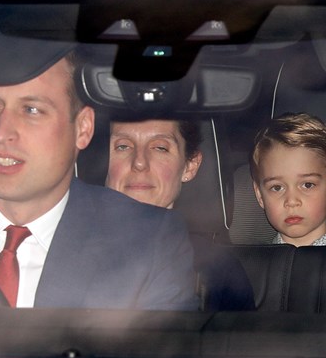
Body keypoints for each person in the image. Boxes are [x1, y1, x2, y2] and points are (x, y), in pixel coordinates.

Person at [0, 51, 200, 310]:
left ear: (82, 128)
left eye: (31, 110)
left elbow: (163, 349)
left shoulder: (145, 243)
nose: (1, 132)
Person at [105, 118, 255, 311]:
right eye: (123, 146)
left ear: (189, 166)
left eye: (160, 148)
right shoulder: (64, 246)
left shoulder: (218, 272)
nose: (139, 162)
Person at [250, 112, 326, 247]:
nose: (292, 201)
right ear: (259, 195)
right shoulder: (253, 264)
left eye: (307, 185)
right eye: (277, 187)